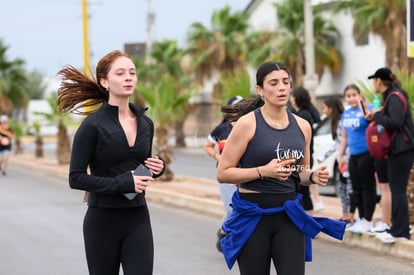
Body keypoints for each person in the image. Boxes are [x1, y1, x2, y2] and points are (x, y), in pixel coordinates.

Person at [216, 61, 346, 275]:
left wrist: (313, 176)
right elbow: (223, 173)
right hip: (253, 217)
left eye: (286, 82)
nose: (282, 88)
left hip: (288, 214)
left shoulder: (303, 126)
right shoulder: (247, 124)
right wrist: (263, 171)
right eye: (274, 83)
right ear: (260, 90)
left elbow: (300, 173)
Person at [56, 50, 165, 275]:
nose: (128, 77)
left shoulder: (146, 123)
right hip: (102, 221)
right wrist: (123, 183)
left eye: (132, 73)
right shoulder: (92, 126)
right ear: (105, 82)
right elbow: (75, 178)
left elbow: (139, 165)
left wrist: (157, 168)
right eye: (121, 73)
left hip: (138, 218)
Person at [365, 67, 414, 243]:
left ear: (379, 80)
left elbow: (396, 122)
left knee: (398, 190)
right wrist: (377, 116)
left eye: (374, 80)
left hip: (402, 149)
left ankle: (400, 232)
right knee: (396, 190)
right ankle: (397, 229)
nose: (373, 84)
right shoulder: (391, 96)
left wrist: (377, 117)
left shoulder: (394, 97)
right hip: (398, 149)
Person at [204, 95, 243, 252]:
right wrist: (217, 156)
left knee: (241, 207)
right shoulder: (221, 129)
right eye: (235, 107)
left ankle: (228, 233)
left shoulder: (248, 126)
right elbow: (207, 145)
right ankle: (223, 233)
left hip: (243, 175)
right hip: (225, 174)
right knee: (231, 208)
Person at [338, 84, 377, 234]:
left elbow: (372, 123)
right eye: (348, 96)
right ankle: (361, 219)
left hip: (367, 153)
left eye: (354, 95)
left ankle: (368, 220)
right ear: (345, 98)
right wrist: (341, 155)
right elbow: (345, 136)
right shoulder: (346, 113)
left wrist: (363, 106)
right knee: (356, 189)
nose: (351, 98)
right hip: (352, 155)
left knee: (368, 188)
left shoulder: (367, 108)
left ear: (359, 95)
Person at [317, 96, 355, 224]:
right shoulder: (335, 122)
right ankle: (345, 216)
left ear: (331, 108)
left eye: (325, 107)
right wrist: (323, 156)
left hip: (347, 160)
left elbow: (346, 142)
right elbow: (337, 143)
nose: (323, 111)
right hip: (342, 160)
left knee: (349, 189)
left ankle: (351, 216)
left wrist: (344, 158)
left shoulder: (341, 122)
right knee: (342, 187)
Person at [289, 86, 323, 212]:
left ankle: (307, 216)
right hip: (298, 156)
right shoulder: (296, 112)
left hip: (303, 155)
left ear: (297, 98)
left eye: (292, 96)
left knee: (303, 190)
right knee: (300, 190)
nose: (290, 99)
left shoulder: (304, 115)